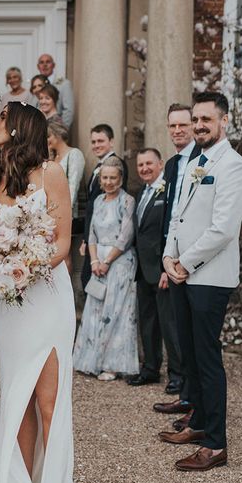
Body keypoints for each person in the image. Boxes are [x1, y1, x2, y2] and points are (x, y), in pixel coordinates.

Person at [0, 103, 104, 483]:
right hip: (10, 305)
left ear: (18, 126)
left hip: (45, 296)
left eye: (0, 117)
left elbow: (64, 243)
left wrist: (21, 268)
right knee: (18, 400)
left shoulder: (52, 173)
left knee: (48, 403)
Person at [160, 92, 242, 472]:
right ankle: (197, 423)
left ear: (224, 121)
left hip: (209, 277)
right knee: (190, 355)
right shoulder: (194, 160)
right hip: (182, 272)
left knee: (208, 359)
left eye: (205, 120)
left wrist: (185, 261)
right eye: (195, 119)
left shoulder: (233, 165)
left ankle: (215, 444)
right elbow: (177, 216)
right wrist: (168, 256)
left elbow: (224, 229)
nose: (197, 125)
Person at [152, 103, 201, 425]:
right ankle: (186, 396)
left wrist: (186, 260)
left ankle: (197, 403)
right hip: (172, 255)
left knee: (196, 338)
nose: (178, 131)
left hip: (198, 260)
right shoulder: (170, 166)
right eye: (172, 126)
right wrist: (166, 259)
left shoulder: (204, 161)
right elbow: (169, 215)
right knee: (179, 331)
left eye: (183, 125)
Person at [73, 156, 138, 381]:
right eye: (105, 178)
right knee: (94, 310)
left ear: (120, 179)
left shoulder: (127, 201)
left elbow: (126, 236)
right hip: (97, 261)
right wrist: (93, 262)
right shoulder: (98, 201)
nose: (109, 182)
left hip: (119, 263)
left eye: (113, 177)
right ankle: (90, 360)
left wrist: (107, 261)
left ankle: (112, 364)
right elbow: (91, 234)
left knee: (116, 312)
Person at [127, 148, 180, 393]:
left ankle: (178, 375)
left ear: (160, 164)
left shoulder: (168, 192)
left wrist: (165, 269)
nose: (145, 168)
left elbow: (170, 232)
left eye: (149, 163)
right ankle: (150, 368)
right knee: (147, 323)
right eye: (140, 165)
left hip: (161, 270)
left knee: (169, 325)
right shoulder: (141, 193)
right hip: (141, 269)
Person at [80, 124, 128, 289]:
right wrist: (87, 239)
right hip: (94, 238)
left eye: (101, 141)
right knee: (89, 281)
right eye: (93, 142)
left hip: (107, 240)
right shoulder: (98, 167)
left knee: (94, 282)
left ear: (111, 142)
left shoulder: (117, 165)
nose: (96, 145)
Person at [47, 119, 85, 272]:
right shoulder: (53, 157)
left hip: (66, 214)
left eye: (49, 136)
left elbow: (73, 186)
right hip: (50, 214)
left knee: (65, 255)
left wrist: (64, 213)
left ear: (57, 135)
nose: (47, 140)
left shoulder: (74, 154)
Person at [36, 53, 74, 127]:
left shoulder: (64, 84)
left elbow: (68, 110)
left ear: (53, 65)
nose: (45, 65)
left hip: (56, 129)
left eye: (48, 62)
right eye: (42, 62)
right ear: (38, 67)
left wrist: (61, 130)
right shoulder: (35, 85)